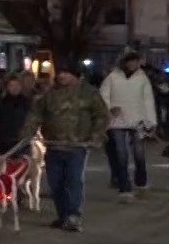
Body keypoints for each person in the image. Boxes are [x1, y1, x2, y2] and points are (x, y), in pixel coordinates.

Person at [22, 62, 106, 232]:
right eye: (60, 72)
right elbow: (36, 115)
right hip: (54, 146)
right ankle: (63, 215)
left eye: (66, 72)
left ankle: (74, 215)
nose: (62, 76)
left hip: (77, 146)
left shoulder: (89, 93)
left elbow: (101, 115)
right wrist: (27, 133)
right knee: (56, 183)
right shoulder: (49, 94)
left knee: (74, 180)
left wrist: (96, 136)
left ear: (75, 74)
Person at [100, 51, 155, 200]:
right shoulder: (112, 77)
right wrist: (110, 108)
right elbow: (103, 95)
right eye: (130, 61)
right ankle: (124, 188)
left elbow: (148, 100)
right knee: (121, 155)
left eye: (135, 61)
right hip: (117, 121)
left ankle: (141, 182)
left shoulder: (142, 79)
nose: (132, 64)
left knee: (139, 153)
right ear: (124, 62)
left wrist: (151, 122)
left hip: (138, 121)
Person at [0, 72, 34, 155]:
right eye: (11, 85)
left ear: (21, 86)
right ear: (7, 87)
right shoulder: (0, 104)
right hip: (3, 145)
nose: (15, 88)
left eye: (17, 85)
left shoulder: (26, 103)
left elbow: (31, 121)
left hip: (22, 145)